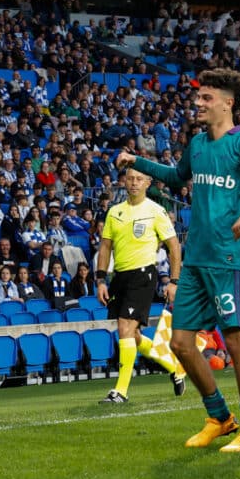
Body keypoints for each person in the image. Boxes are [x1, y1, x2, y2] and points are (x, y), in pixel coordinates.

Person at [118, 68, 240, 452]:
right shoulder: (197, 144)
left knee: (235, 342)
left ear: (228, 104)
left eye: (206, 98)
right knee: (181, 344)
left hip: (226, 259)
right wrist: (138, 161)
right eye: (197, 97)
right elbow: (179, 176)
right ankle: (220, 417)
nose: (198, 103)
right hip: (196, 259)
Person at [95, 167, 184, 404]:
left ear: (148, 182)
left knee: (124, 328)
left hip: (143, 275)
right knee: (132, 336)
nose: (133, 183)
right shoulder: (114, 212)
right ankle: (174, 367)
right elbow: (105, 247)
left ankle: (120, 391)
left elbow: (174, 246)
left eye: (139, 179)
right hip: (119, 277)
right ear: (124, 182)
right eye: (130, 178)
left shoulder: (156, 211)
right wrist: (101, 279)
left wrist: (174, 281)